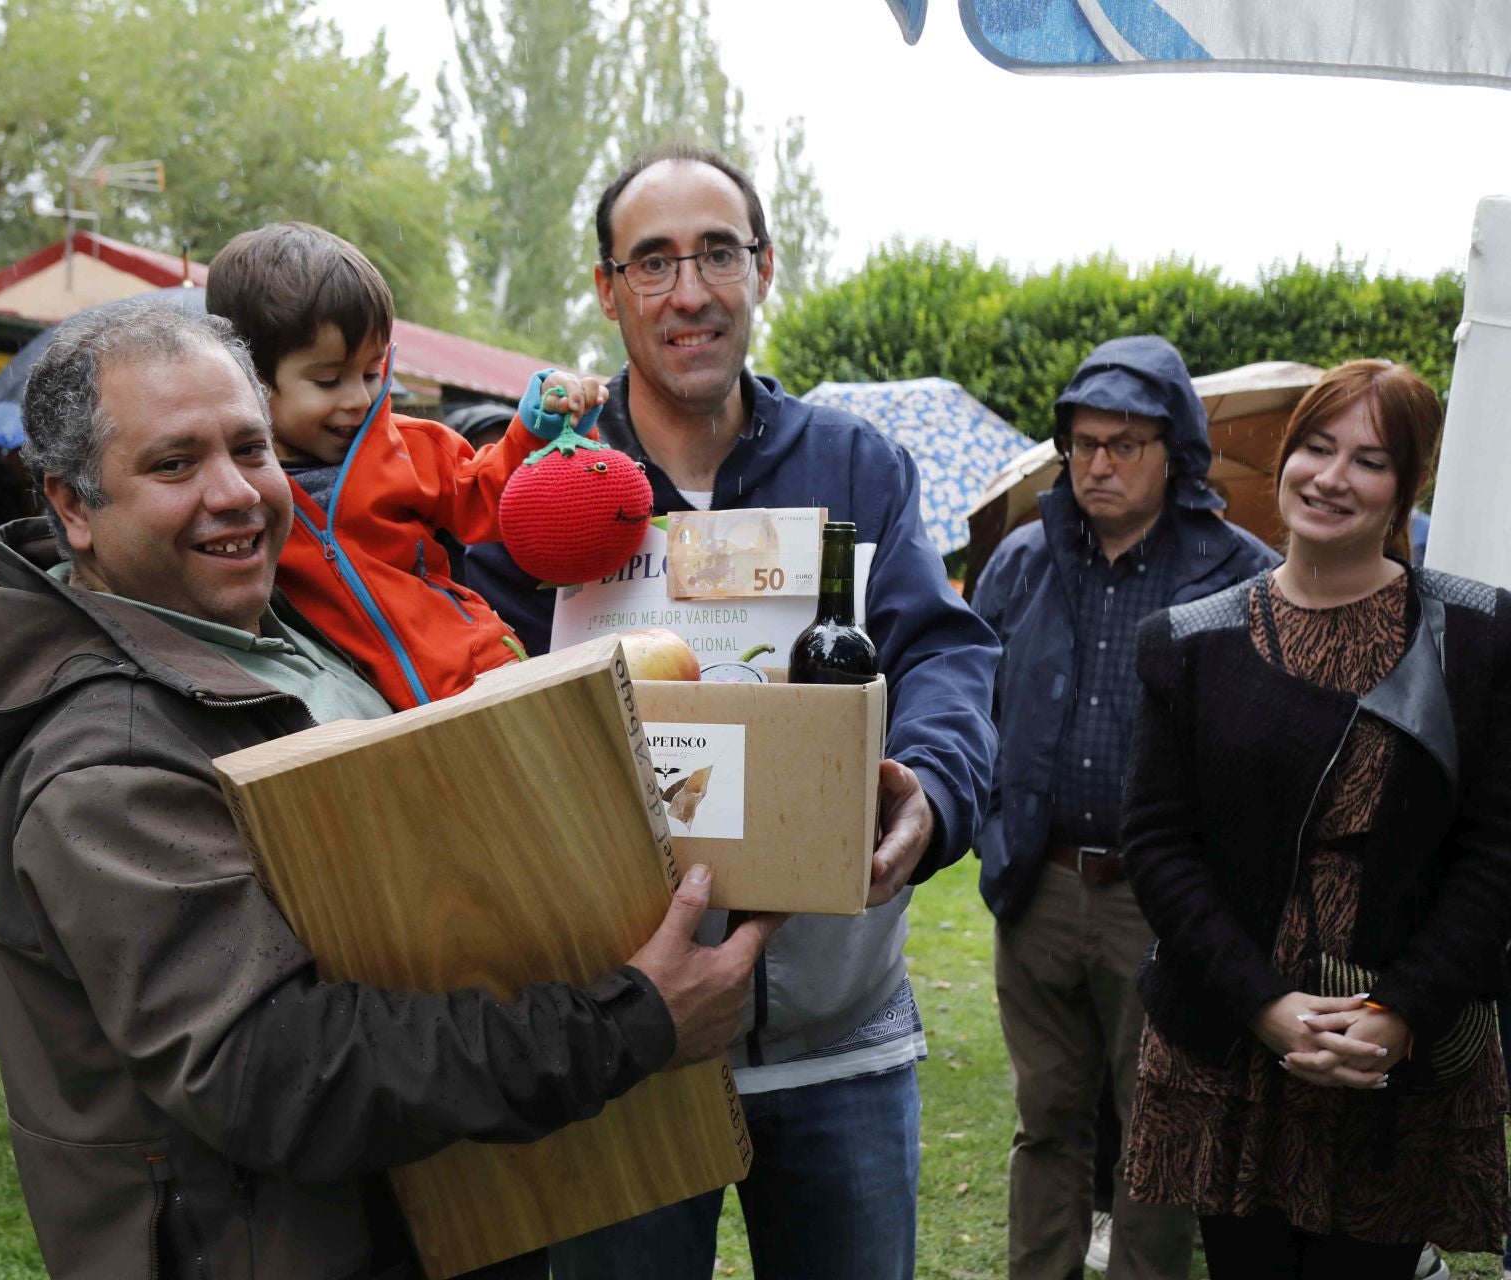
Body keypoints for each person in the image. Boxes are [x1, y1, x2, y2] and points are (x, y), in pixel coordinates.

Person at [0, 300, 778, 1279]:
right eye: (174, 463)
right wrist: (627, 1021)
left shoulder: (270, 618)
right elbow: (276, 1070)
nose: (235, 492)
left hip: (440, 1209)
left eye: (250, 448)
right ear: (71, 504)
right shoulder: (100, 762)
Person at [467, 144, 1001, 1280]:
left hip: (835, 1040)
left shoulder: (856, 466)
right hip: (625, 1040)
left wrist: (934, 794)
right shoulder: (541, 487)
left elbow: (946, 652)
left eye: (716, 252)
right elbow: (470, 690)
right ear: (608, 290)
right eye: (652, 262)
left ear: (763, 267)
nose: (690, 291)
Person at [1120, 359, 1511, 1277]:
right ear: (1286, 456)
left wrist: (1400, 1014)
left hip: (1396, 1063)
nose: (1332, 477)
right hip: (1234, 1047)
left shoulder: (1479, 639)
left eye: (1369, 460)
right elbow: (1160, 844)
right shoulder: (1189, 642)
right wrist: (1265, 1006)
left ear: (1404, 487)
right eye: (1316, 447)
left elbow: (1496, 854)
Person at [970, 336, 1274, 1280]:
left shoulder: (1242, 577)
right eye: (1083, 442)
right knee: (1048, 1122)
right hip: (1041, 883)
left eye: (1125, 443)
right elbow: (970, 705)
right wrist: (994, 831)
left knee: (1159, 1133)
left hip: (1167, 902)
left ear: (1176, 453)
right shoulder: (1022, 561)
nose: (1098, 462)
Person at [205, 221, 607, 709]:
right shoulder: (243, 494)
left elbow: (486, 495)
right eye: (329, 380)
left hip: (479, 675)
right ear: (252, 380)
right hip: (361, 715)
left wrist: (536, 431)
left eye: (372, 371)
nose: (358, 398)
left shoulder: (411, 446)